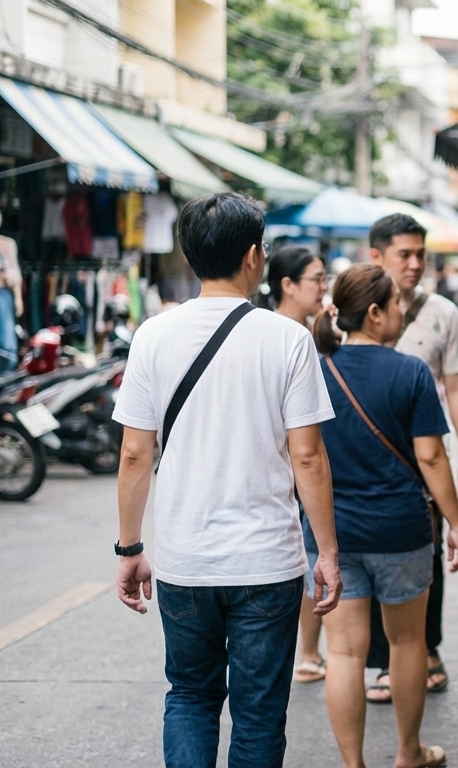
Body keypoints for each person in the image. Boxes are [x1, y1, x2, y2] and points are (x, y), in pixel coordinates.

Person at [112, 191, 342, 767]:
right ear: (253, 256)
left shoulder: (152, 336)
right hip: (266, 562)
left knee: (189, 696)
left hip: (186, 560)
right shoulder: (287, 339)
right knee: (259, 711)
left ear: (190, 257)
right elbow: (308, 457)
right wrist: (329, 551)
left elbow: (136, 455)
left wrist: (130, 547)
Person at [309, 263, 458, 768]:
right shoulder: (410, 372)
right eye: (397, 304)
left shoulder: (316, 368)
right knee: (406, 643)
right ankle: (408, 753)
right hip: (400, 530)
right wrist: (456, 523)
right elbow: (431, 457)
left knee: (346, 654)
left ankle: (353, 764)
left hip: (333, 534)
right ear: (375, 313)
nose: (403, 311)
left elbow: (303, 454)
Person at [366, 213, 458, 703]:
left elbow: (455, 385)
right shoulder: (348, 306)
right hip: (367, 454)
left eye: (420, 254)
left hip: (428, 454)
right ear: (377, 257)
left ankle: (426, 648)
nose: (414, 264)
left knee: (428, 554)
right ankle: (386, 658)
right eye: (403, 254)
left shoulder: (443, 313)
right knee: (367, 555)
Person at [266, 245, 333, 684]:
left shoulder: (312, 332)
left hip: (304, 468)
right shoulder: (286, 338)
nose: (324, 286)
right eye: (316, 279)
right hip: (294, 472)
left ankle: (309, 651)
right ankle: (308, 652)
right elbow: (304, 448)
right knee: (314, 557)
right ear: (287, 285)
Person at [0, 208, 23, 369]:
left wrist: (18, 300)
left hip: (2, 298)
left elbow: (15, 275)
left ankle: (6, 370)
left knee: (5, 341)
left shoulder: (8, 244)